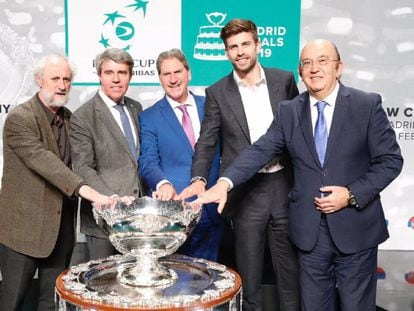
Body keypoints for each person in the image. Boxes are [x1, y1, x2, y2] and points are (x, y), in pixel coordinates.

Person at [192, 39, 404, 311]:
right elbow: (260, 149)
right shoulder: (289, 111)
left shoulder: (366, 105)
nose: (314, 68)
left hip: (356, 230)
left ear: (339, 68)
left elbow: (390, 161)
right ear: (300, 72)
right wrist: (225, 182)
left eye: (322, 60)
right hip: (309, 235)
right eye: (307, 63)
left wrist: (351, 194)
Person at [178, 19, 300, 311]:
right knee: (250, 278)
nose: (240, 51)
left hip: (283, 185)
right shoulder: (217, 92)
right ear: (227, 52)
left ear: (258, 45)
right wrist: (198, 178)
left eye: (245, 44)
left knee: (290, 274)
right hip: (245, 192)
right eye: (233, 47)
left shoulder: (283, 80)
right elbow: (206, 142)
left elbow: (299, 134)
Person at [0, 53, 114, 311]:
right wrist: (92, 194)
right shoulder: (20, 118)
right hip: (23, 231)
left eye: (67, 79)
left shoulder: (70, 118)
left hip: (61, 232)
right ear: (39, 80)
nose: (62, 85)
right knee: (12, 301)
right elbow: (45, 163)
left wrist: (111, 194)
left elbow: (83, 163)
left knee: (52, 303)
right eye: (55, 78)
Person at [138, 48, 222, 261]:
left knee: (209, 283)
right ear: (159, 78)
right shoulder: (149, 117)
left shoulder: (213, 106)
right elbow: (147, 160)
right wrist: (162, 183)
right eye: (167, 74)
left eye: (178, 72)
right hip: (172, 215)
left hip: (212, 211)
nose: (173, 79)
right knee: (173, 285)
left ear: (189, 73)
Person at [70, 48, 143, 260]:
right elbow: (83, 167)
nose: (116, 79)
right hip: (103, 221)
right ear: (99, 75)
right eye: (109, 72)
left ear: (130, 76)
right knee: (104, 287)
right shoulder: (83, 116)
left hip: (137, 219)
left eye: (122, 72)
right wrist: (112, 199)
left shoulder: (136, 107)